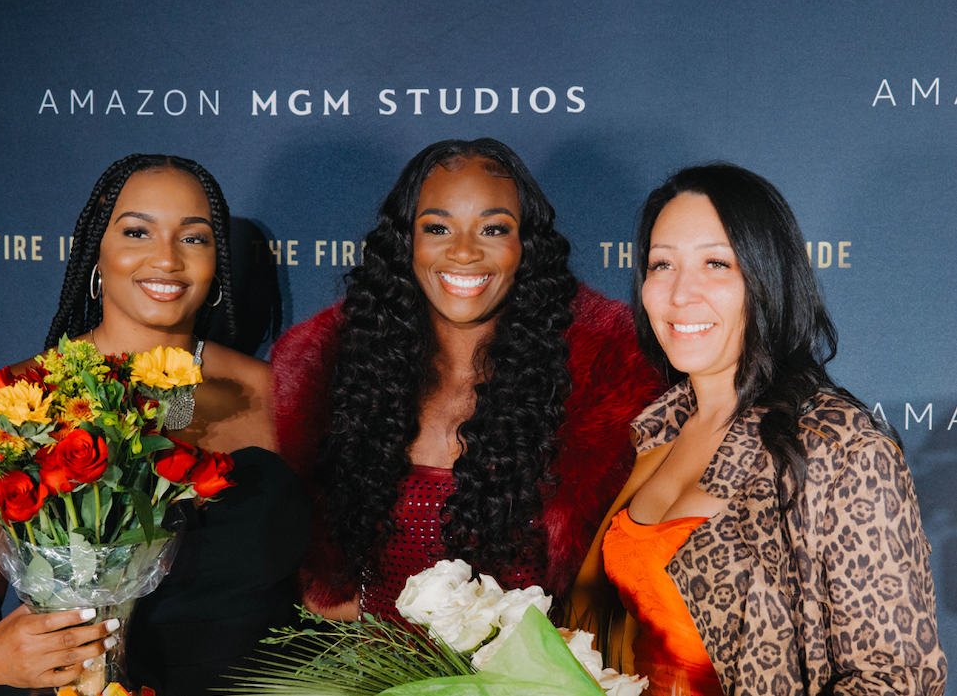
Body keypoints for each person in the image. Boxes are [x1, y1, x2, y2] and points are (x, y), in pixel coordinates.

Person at [0, 154, 309, 695]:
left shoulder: (281, 396)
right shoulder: (15, 400)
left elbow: (335, 584)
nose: (166, 259)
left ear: (216, 263)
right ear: (96, 256)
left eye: (193, 239)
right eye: (137, 232)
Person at [580, 163, 947, 695]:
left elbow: (895, 683)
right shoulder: (656, 429)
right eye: (662, 265)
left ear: (766, 278)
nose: (681, 293)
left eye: (716, 263)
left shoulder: (839, 446)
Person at [271, 138, 662, 622]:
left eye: (493, 229)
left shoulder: (607, 381)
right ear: (405, 242)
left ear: (526, 246)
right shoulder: (334, 374)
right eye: (438, 227)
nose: (463, 252)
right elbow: (322, 585)